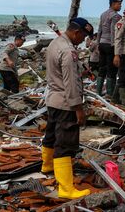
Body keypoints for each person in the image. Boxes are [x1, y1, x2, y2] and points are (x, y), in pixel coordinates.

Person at [40, 18, 94, 199]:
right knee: (65, 144)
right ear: (77, 32)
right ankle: (65, 188)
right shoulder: (69, 50)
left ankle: (47, 166)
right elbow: (70, 84)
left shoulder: (56, 43)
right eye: (83, 36)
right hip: (65, 103)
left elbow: (60, 72)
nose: (83, 41)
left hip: (52, 99)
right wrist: (78, 108)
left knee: (51, 134)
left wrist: (80, 72)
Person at [95, 0, 123, 97]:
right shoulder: (116, 16)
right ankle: (110, 94)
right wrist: (115, 47)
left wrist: (98, 43)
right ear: (113, 4)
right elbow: (114, 32)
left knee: (102, 68)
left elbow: (99, 30)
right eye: (119, 4)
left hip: (102, 43)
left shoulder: (103, 14)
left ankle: (98, 92)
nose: (120, 6)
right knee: (111, 70)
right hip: (110, 44)